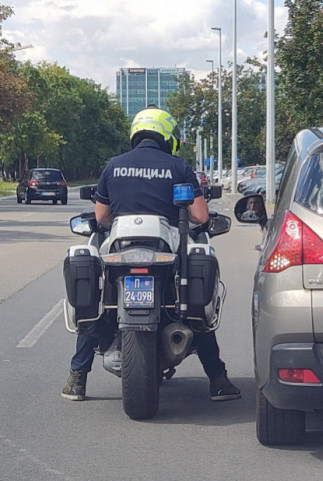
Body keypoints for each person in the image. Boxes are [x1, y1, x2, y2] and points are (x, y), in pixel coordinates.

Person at [61, 106, 241, 403]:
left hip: (120, 249)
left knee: (100, 304)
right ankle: (218, 381)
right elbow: (199, 214)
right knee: (194, 310)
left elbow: (102, 215)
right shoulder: (178, 167)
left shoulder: (114, 165)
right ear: (167, 136)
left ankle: (77, 379)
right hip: (165, 250)